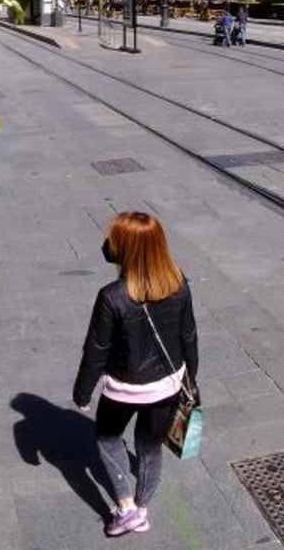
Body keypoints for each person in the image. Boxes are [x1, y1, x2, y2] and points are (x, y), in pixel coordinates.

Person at [73, 211, 199, 538]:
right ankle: (142, 509)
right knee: (149, 447)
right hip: (168, 385)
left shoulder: (112, 296)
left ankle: (125, 507)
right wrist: (190, 378)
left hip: (123, 389)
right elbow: (189, 336)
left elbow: (96, 350)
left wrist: (83, 392)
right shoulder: (179, 282)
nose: (107, 244)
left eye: (113, 240)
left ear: (125, 249)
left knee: (108, 439)